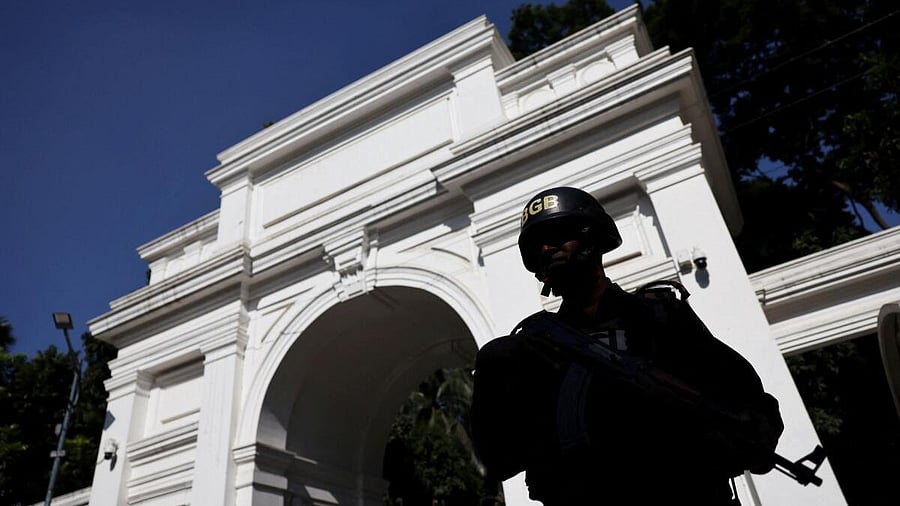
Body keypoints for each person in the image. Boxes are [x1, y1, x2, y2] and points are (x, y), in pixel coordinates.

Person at [470, 187, 784, 505]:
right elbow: (499, 460)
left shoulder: (659, 317)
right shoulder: (530, 349)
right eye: (538, 245)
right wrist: (495, 371)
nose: (548, 248)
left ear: (591, 237)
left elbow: (745, 398)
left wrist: (739, 438)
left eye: (558, 235)